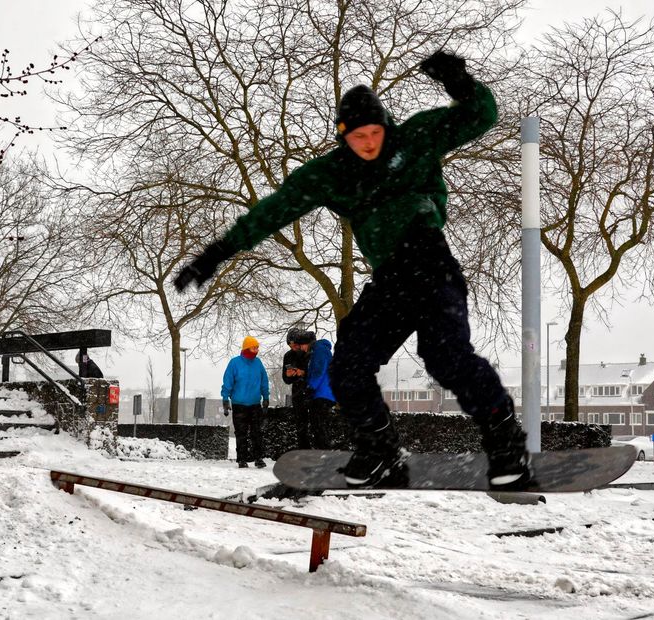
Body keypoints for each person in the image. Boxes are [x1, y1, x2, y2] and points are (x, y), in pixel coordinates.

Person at [174, 51, 530, 489]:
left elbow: (481, 115)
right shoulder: (332, 174)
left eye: (375, 132)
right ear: (344, 136)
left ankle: (505, 442)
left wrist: (458, 80)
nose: (368, 143)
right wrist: (216, 253)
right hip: (389, 283)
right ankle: (380, 449)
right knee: (347, 368)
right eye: (358, 136)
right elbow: (274, 210)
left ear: (386, 125)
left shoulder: (415, 138)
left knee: (445, 358)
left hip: (432, 266)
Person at [221, 335, 270, 468]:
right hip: (239, 405)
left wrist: (266, 398)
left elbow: (264, 381)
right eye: (254, 347)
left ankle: (258, 458)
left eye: (257, 348)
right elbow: (228, 382)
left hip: (255, 404)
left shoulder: (258, 363)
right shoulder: (235, 363)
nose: (257, 350)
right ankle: (242, 459)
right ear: (247, 348)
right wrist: (225, 399)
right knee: (241, 433)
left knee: (257, 433)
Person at [282, 328, 311, 447]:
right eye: (290, 345)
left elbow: (316, 373)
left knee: (315, 424)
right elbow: (286, 379)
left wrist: (303, 373)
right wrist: (288, 375)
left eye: (294, 344)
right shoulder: (288, 356)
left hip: (311, 391)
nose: (292, 347)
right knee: (301, 425)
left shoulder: (309, 352)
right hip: (297, 393)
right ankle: (304, 450)